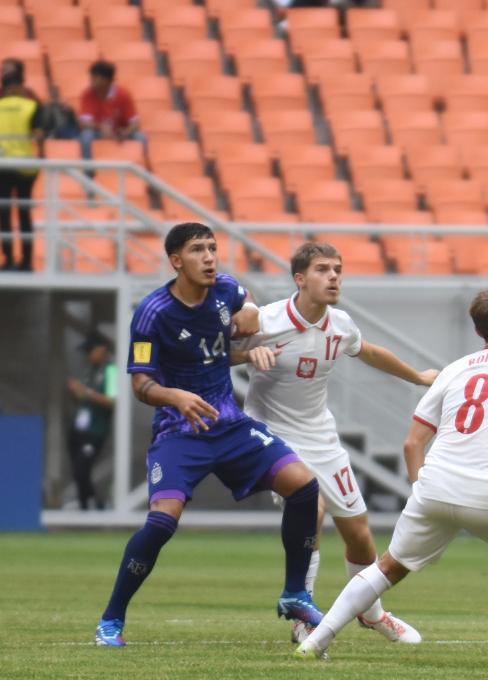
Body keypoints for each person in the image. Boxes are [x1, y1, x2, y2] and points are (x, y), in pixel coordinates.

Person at [295, 288, 488, 665]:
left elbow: (412, 444)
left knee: (388, 567)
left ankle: (316, 641)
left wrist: (421, 491)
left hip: (435, 485)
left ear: (478, 330)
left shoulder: (454, 370)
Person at [94, 223, 324, 647]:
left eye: (213, 248)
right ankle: (111, 620)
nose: (210, 257)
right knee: (162, 521)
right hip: (179, 432)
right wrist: (176, 397)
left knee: (304, 487)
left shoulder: (226, 289)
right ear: (176, 261)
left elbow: (243, 309)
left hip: (230, 425)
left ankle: (294, 594)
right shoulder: (152, 312)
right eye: (198, 249)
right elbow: (141, 384)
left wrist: (250, 320)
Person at [234, 241, 435, 645]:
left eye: (338, 269)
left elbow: (370, 352)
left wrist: (417, 377)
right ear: (300, 279)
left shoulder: (340, 324)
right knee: (313, 506)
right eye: (323, 269)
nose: (333, 277)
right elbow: (213, 356)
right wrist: (244, 357)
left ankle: (370, 612)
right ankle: (303, 612)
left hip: (321, 437)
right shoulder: (266, 321)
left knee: (359, 534)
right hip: (273, 437)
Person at [66, 331, 118, 510]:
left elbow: (112, 401)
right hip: (79, 428)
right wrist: (76, 392)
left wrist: (86, 393)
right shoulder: (90, 370)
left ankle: (94, 505)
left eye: (90, 350)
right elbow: (84, 400)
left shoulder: (111, 371)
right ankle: (86, 505)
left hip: (95, 430)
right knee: (78, 471)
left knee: (82, 469)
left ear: (102, 349)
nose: (88, 355)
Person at [0, 67, 45, 271]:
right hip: (25, 167)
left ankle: (7, 260)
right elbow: (38, 135)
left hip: (3, 166)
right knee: (25, 213)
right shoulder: (31, 105)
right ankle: (26, 262)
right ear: (20, 85)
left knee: (4, 214)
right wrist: (41, 154)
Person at [78, 61, 144, 161]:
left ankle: (145, 171)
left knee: (141, 137)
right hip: (99, 134)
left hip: (120, 133)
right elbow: (84, 123)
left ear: (106, 80)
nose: (91, 81)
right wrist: (100, 127)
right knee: (86, 136)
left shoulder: (123, 95)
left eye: (95, 78)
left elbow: (135, 123)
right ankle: (88, 173)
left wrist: (126, 132)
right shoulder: (87, 95)